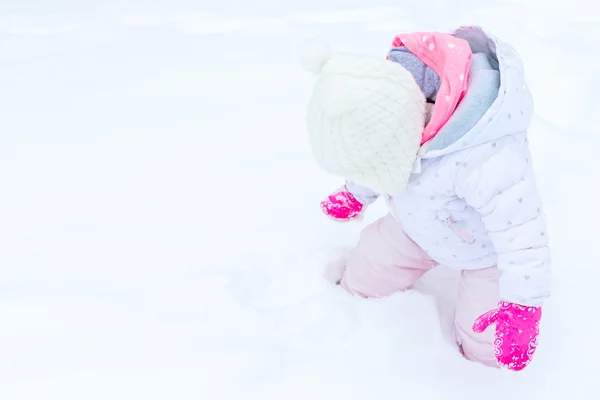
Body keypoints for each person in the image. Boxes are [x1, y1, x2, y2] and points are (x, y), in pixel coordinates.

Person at [298, 26, 550, 371]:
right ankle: (351, 301)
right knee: (368, 268)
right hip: (414, 227)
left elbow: (524, 237)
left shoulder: (486, 159)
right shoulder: (389, 113)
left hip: (484, 252)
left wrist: (523, 306)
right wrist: (354, 193)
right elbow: (376, 157)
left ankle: (486, 375)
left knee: (487, 337)